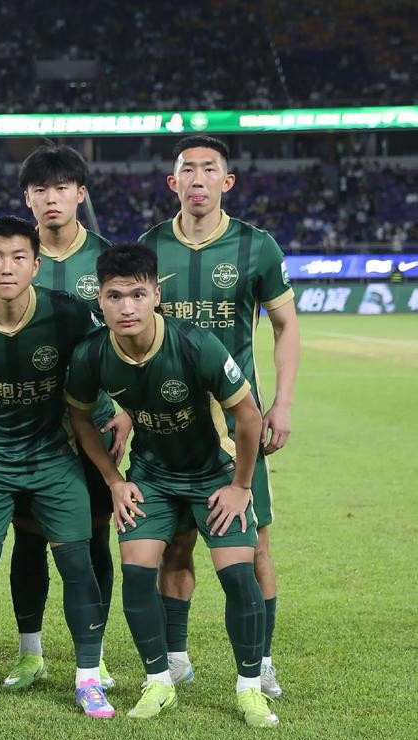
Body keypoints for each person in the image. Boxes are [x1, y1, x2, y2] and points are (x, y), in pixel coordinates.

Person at [66, 243, 279, 727]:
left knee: (237, 574)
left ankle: (249, 689)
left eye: (137, 295)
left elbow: (248, 417)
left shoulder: (196, 343)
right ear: (99, 299)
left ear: (156, 296)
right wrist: (114, 481)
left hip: (214, 475)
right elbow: (80, 417)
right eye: (115, 296)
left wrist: (241, 486)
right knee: (138, 571)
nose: (127, 307)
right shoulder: (92, 353)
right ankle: (159, 681)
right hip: (153, 477)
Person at [139, 135, 299, 697]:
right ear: (173, 182)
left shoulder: (257, 247)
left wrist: (282, 402)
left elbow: (286, 326)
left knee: (255, 547)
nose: (198, 179)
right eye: (188, 170)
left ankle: (262, 660)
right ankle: (176, 658)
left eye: (210, 169)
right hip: (168, 425)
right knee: (175, 545)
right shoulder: (151, 247)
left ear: (227, 182)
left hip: (237, 427)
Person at [0, 216, 111, 719]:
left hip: (54, 459)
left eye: (18, 258)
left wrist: (117, 413)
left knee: (77, 565)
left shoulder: (68, 314)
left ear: (36, 265)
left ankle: (88, 678)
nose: (6, 268)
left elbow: (108, 359)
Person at [5, 144, 128, 690]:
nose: (51, 198)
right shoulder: (12, 255)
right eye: (40, 190)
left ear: (81, 193)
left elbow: (135, 337)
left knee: (94, 539)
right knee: (29, 539)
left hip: (91, 427)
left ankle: (92, 654)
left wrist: (129, 410)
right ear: (27, 198)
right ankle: (30, 653)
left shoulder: (108, 260)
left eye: (61, 188)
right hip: (24, 427)